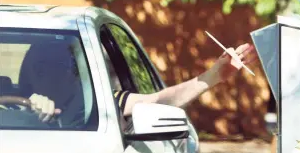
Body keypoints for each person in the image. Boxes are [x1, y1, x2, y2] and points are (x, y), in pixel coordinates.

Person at [28, 43, 256, 124]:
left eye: (59, 66)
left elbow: (156, 100)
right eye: (39, 67)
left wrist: (212, 76)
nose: (48, 74)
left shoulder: (104, 103)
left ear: (75, 73)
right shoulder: (9, 107)